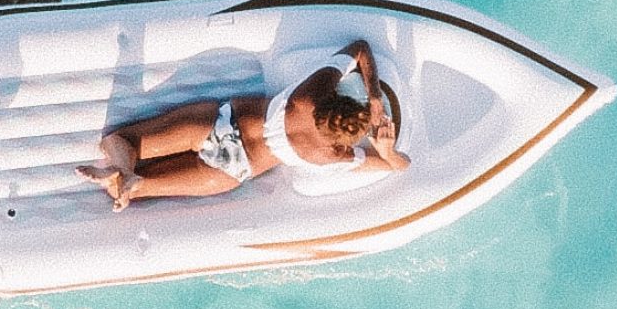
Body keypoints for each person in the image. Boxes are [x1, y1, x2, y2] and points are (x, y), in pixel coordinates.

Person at [78, 39, 408, 209]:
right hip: (233, 170)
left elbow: (361, 49)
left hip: (219, 124)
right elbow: (397, 167)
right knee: (138, 189)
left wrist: (374, 96)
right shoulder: (331, 157)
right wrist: (387, 149)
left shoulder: (313, 91)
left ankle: (122, 167)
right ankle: (127, 183)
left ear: (338, 101)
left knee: (119, 140)